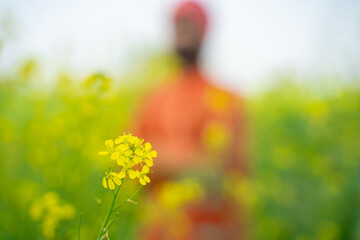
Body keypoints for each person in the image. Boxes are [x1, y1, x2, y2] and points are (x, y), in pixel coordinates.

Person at [135, 1, 248, 239]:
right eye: (177, 24)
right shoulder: (153, 98)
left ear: (205, 31)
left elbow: (218, 171)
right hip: (158, 232)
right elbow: (129, 164)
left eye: (190, 24)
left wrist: (156, 155)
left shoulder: (226, 98)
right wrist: (191, 156)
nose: (182, 31)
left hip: (210, 232)